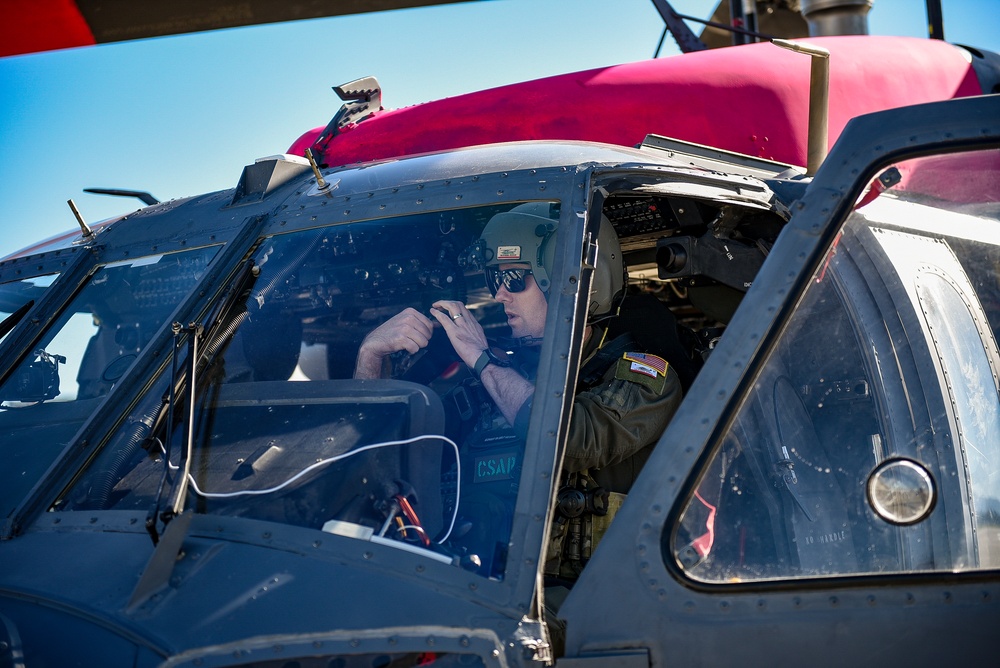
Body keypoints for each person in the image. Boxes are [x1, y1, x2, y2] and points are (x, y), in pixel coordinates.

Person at [353, 203, 683, 581]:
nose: (499, 296)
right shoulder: (490, 386)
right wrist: (370, 357)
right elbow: (380, 460)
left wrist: (480, 357)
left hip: (586, 606)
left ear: (571, 283)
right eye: (496, 280)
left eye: (513, 279)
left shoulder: (644, 379)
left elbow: (570, 441)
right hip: (474, 591)